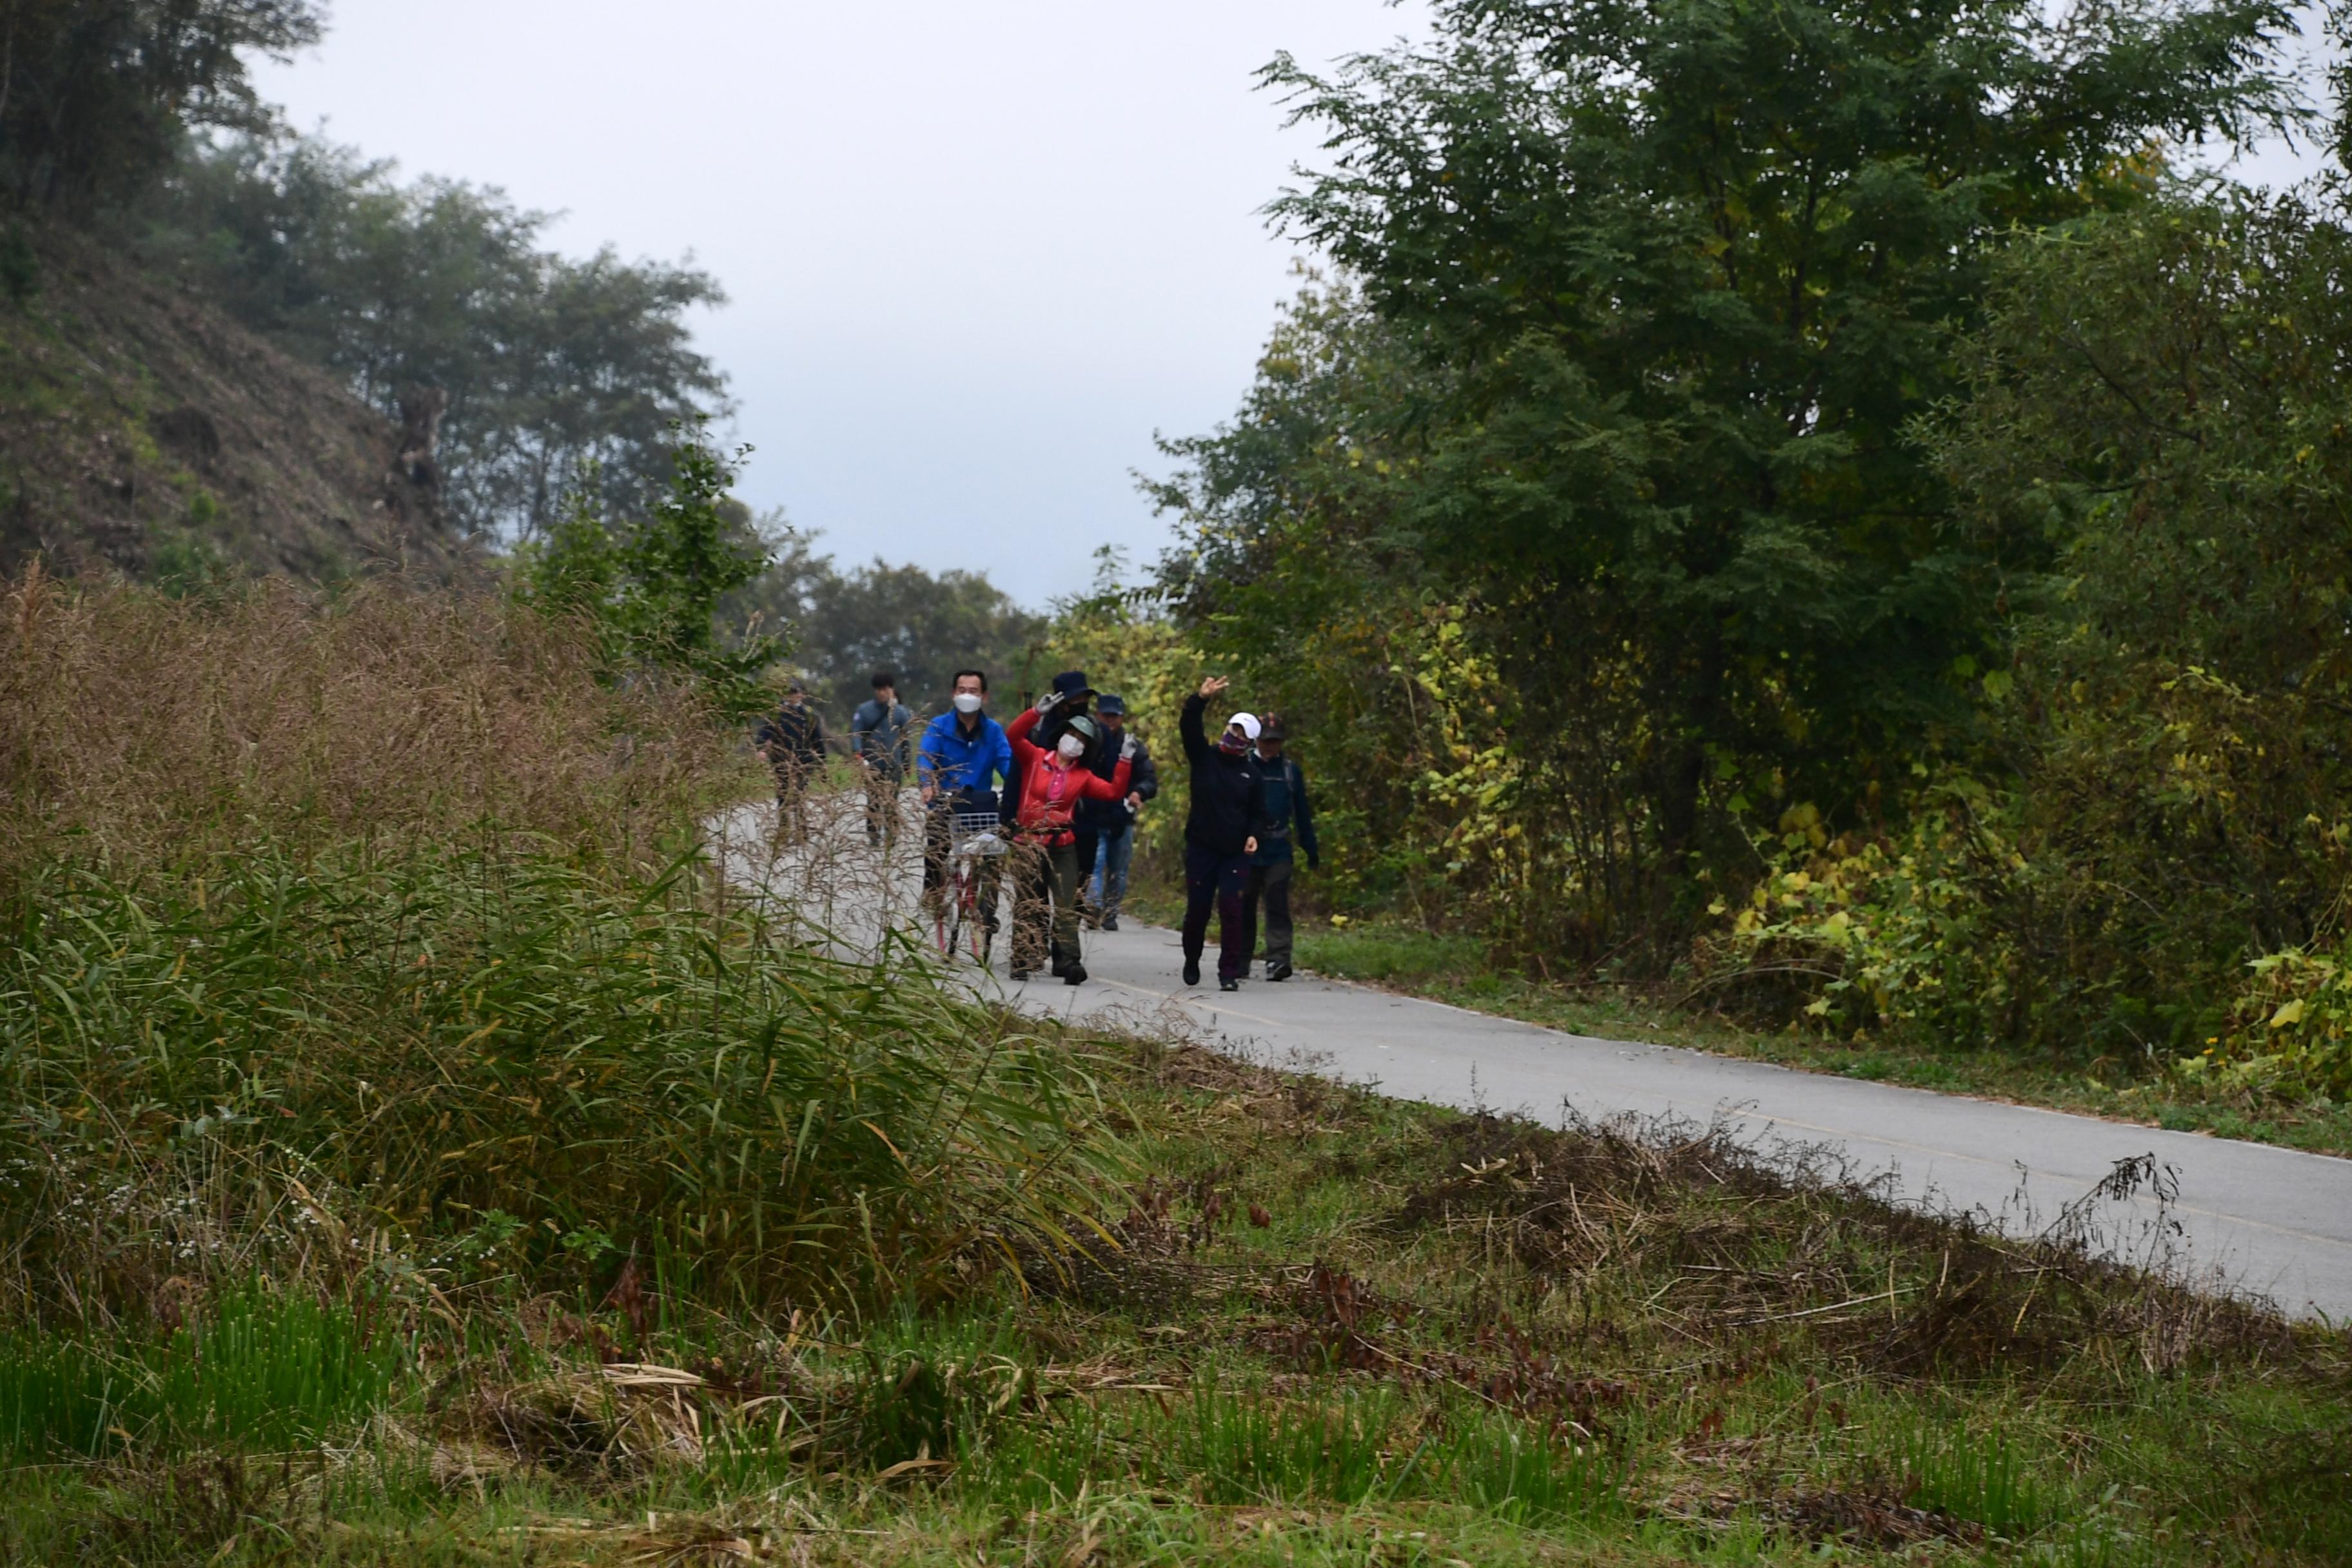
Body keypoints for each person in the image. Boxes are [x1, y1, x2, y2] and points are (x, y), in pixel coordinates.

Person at [1004, 690, 1134, 984]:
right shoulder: (1035, 758)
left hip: (1062, 845)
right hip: (1028, 842)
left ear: (1087, 748)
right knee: (1028, 902)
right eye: (1072, 733)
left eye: (1082, 739)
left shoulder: (1083, 776)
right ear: (1062, 734)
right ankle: (1022, 958)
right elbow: (1014, 737)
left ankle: (1070, 961)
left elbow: (1114, 792)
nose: (1075, 741)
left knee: (1066, 903)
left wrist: (1125, 760)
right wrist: (1035, 713)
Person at [1177, 676, 1267, 992]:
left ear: (1250, 743)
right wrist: (1200, 699)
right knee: (1198, 909)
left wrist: (1254, 834)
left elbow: (1258, 812)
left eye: (1241, 735)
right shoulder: (1205, 758)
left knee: (1232, 908)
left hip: (1234, 853)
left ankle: (1228, 971)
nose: (1234, 737)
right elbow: (1188, 726)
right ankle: (1191, 958)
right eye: (1232, 730)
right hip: (1201, 847)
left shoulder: (1252, 775)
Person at [917, 669, 1014, 936]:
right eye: (962, 690)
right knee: (936, 843)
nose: (967, 696)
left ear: (984, 696)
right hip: (947, 803)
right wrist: (927, 785)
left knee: (995, 853)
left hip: (981, 806)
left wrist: (1018, 790)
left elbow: (1008, 765)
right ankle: (933, 891)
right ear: (953, 694)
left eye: (973, 691)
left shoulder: (993, 731)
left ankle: (986, 909)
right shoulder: (939, 726)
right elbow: (926, 758)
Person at [1242, 714, 1319, 981]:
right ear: (1256, 740)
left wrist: (1310, 848)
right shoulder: (1243, 766)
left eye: (1275, 741)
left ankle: (1279, 958)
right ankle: (1240, 957)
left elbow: (1301, 812)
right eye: (1265, 741)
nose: (1270, 746)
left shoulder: (1289, 772)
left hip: (1278, 848)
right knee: (1244, 902)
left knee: (1277, 901)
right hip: (1247, 850)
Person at [1079, 693, 1157, 931]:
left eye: (1115, 716)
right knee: (1095, 865)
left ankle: (1110, 913)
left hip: (1122, 817)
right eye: (1106, 715)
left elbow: (1149, 778)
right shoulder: (1088, 742)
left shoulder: (1133, 746)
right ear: (1098, 715)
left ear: (1122, 718)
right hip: (1093, 816)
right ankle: (1093, 910)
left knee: (1118, 870)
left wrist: (1139, 793)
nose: (1110, 721)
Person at [752, 680, 827, 841]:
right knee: (783, 795)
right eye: (794, 692)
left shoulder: (808, 714)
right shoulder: (777, 713)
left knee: (800, 794)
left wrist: (822, 760)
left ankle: (802, 832)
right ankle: (784, 832)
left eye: (800, 692)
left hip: (803, 759)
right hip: (781, 759)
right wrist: (761, 749)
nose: (798, 695)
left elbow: (817, 739)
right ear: (787, 695)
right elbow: (764, 732)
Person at [849, 671, 914, 848]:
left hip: (894, 764)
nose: (881, 693)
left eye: (885, 689)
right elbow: (856, 732)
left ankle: (892, 836)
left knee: (892, 801)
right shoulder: (864, 710)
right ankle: (874, 835)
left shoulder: (901, 712)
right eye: (878, 689)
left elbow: (905, 739)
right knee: (874, 800)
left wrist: (908, 763)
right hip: (872, 763)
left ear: (891, 690)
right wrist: (857, 752)